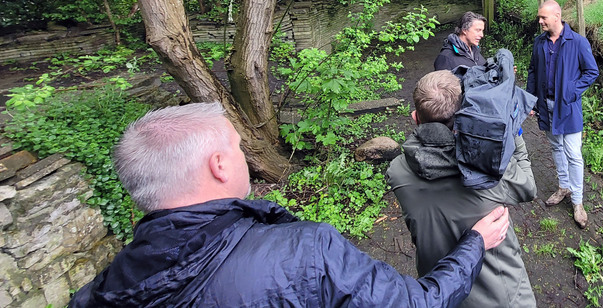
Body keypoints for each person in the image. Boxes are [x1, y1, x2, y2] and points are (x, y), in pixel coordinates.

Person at [69, 102, 511, 308]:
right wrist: (474, 242)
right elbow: (416, 304)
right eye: (239, 147)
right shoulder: (303, 252)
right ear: (220, 165)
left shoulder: (101, 291)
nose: (245, 155)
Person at [387, 71, 537, 308]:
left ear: (415, 117)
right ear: (463, 114)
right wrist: (511, 133)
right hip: (499, 295)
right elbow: (528, 187)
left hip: (439, 291)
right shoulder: (489, 167)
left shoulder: (398, 172)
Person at [526, 0, 599, 228]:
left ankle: (577, 202)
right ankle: (563, 187)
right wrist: (530, 100)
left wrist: (570, 91)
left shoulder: (577, 42)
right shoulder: (539, 42)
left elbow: (591, 71)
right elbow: (532, 71)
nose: (540, 21)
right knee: (556, 147)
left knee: (573, 154)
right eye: (539, 18)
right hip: (545, 106)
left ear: (556, 16)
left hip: (567, 107)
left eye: (543, 18)